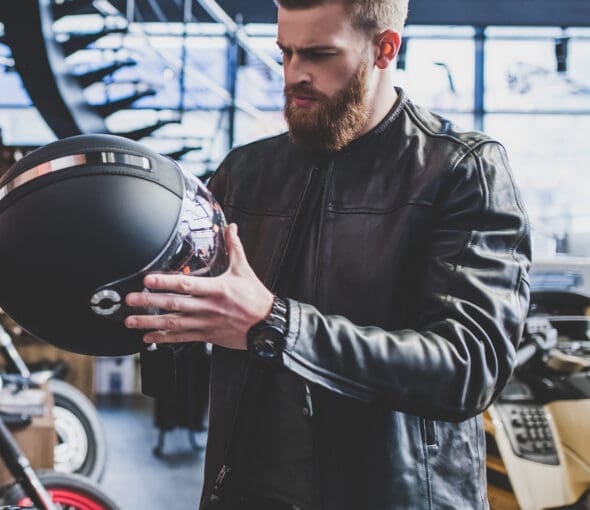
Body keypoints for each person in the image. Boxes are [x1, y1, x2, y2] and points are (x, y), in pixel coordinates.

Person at [124, 0, 532, 508]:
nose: (294, 75)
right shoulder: (245, 173)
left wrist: (274, 324)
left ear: (384, 49)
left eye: (317, 54)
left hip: (395, 496)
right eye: (285, 53)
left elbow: (468, 368)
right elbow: (182, 347)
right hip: (249, 492)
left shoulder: (460, 171)